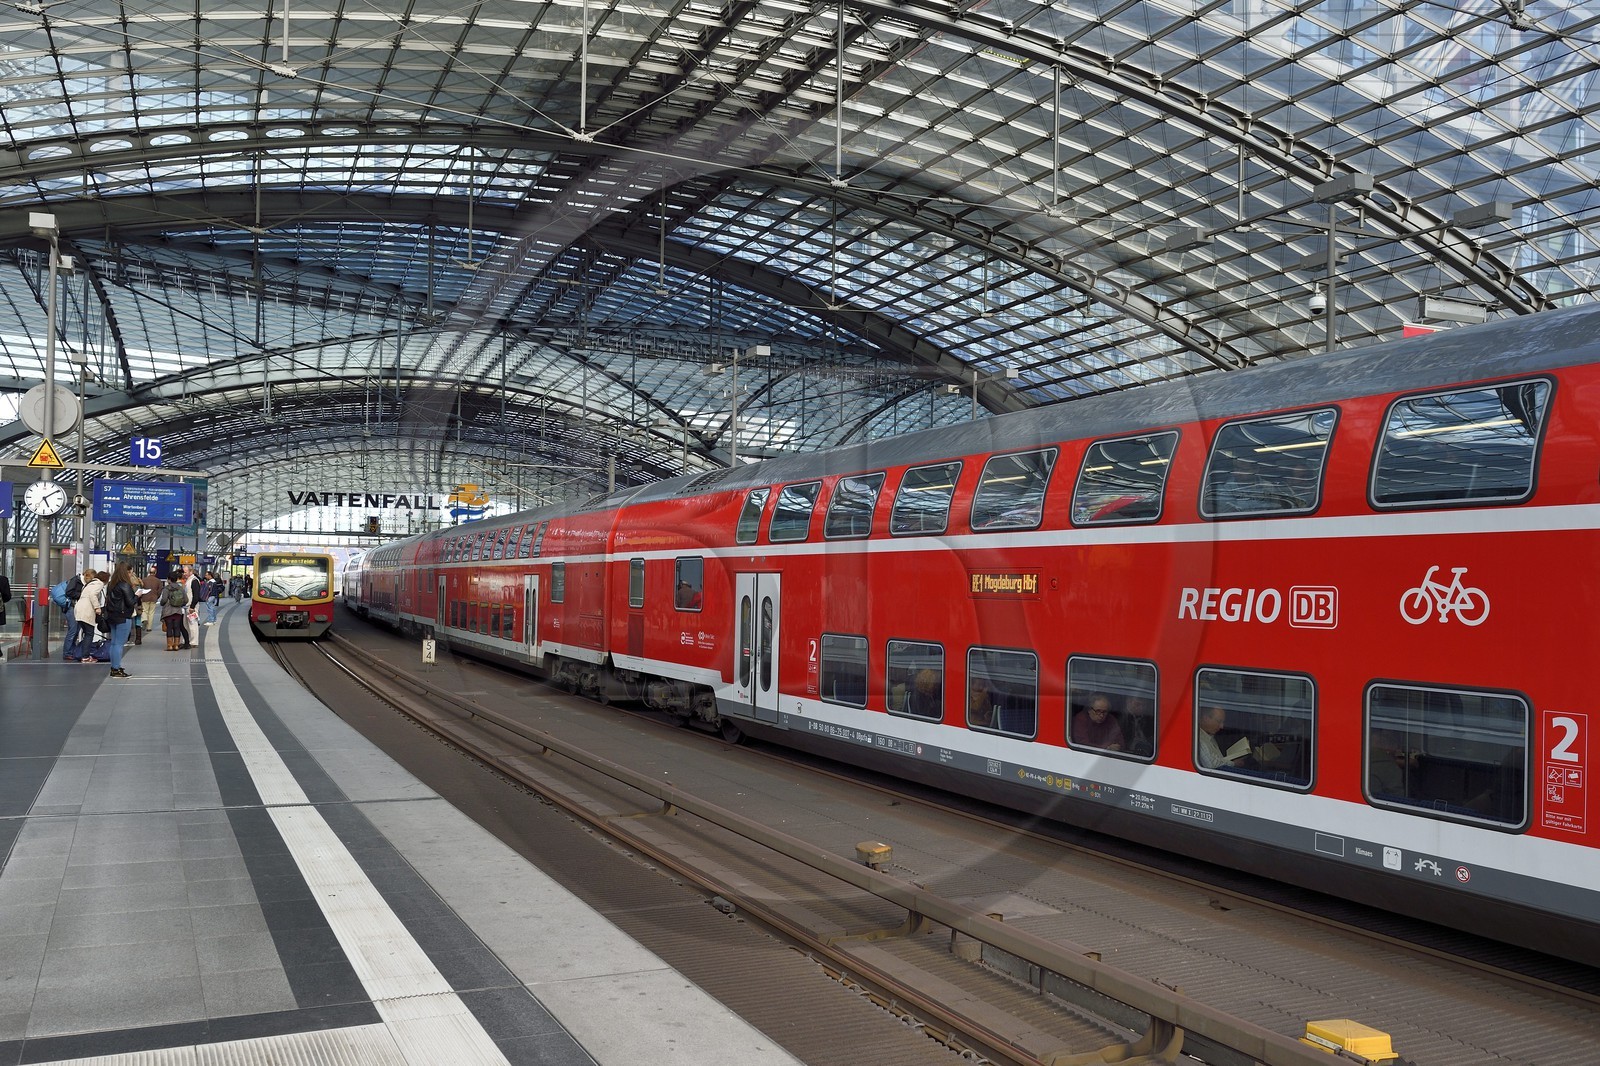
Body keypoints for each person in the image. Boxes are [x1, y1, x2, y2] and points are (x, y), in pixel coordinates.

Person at [101, 562, 140, 678]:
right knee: (119, 644)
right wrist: (137, 595)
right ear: (126, 572)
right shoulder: (125, 585)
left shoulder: (111, 584)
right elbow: (131, 602)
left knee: (114, 643)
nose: (131, 574)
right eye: (130, 572)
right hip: (123, 616)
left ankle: (114, 667)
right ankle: (116, 669)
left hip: (112, 616)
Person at [68, 569, 105, 662]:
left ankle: (81, 654)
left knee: (85, 633)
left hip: (79, 610)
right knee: (89, 634)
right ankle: (85, 656)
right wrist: (97, 608)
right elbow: (93, 595)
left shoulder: (87, 585)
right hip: (86, 611)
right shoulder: (99, 583)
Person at [160, 574, 189, 651]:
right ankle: (176, 646)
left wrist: (162, 604)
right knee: (177, 627)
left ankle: (170, 646)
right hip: (178, 611)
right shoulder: (180, 588)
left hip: (168, 611)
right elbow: (186, 600)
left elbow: (164, 599)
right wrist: (180, 604)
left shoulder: (167, 588)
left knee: (169, 628)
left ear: (169, 579)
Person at [137, 565, 162, 644]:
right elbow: (160, 590)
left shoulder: (144, 580)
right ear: (155, 573)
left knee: (145, 610)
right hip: (153, 598)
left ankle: (144, 619)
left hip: (145, 598)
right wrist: (157, 596)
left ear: (149, 572)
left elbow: (141, 588)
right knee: (151, 612)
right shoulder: (158, 581)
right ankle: (149, 627)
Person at [181, 565, 201, 647]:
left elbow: (196, 595)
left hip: (192, 607)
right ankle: (187, 640)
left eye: (185, 572)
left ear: (191, 571)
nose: (184, 574)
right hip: (186, 606)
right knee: (186, 624)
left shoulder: (194, 581)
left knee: (192, 624)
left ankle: (194, 642)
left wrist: (192, 607)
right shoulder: (188, 580)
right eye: (184, 572)